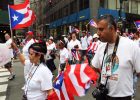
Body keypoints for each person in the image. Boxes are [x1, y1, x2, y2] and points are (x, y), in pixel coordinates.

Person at [91, 14, 140, 100]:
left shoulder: (131, 46)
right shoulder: (101, 46)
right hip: (103, 95)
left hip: (122, 97)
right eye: (97, 29)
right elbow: (94, 67)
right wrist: (103, 75)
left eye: (101, 29)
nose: (98, 33)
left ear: (112, 29)